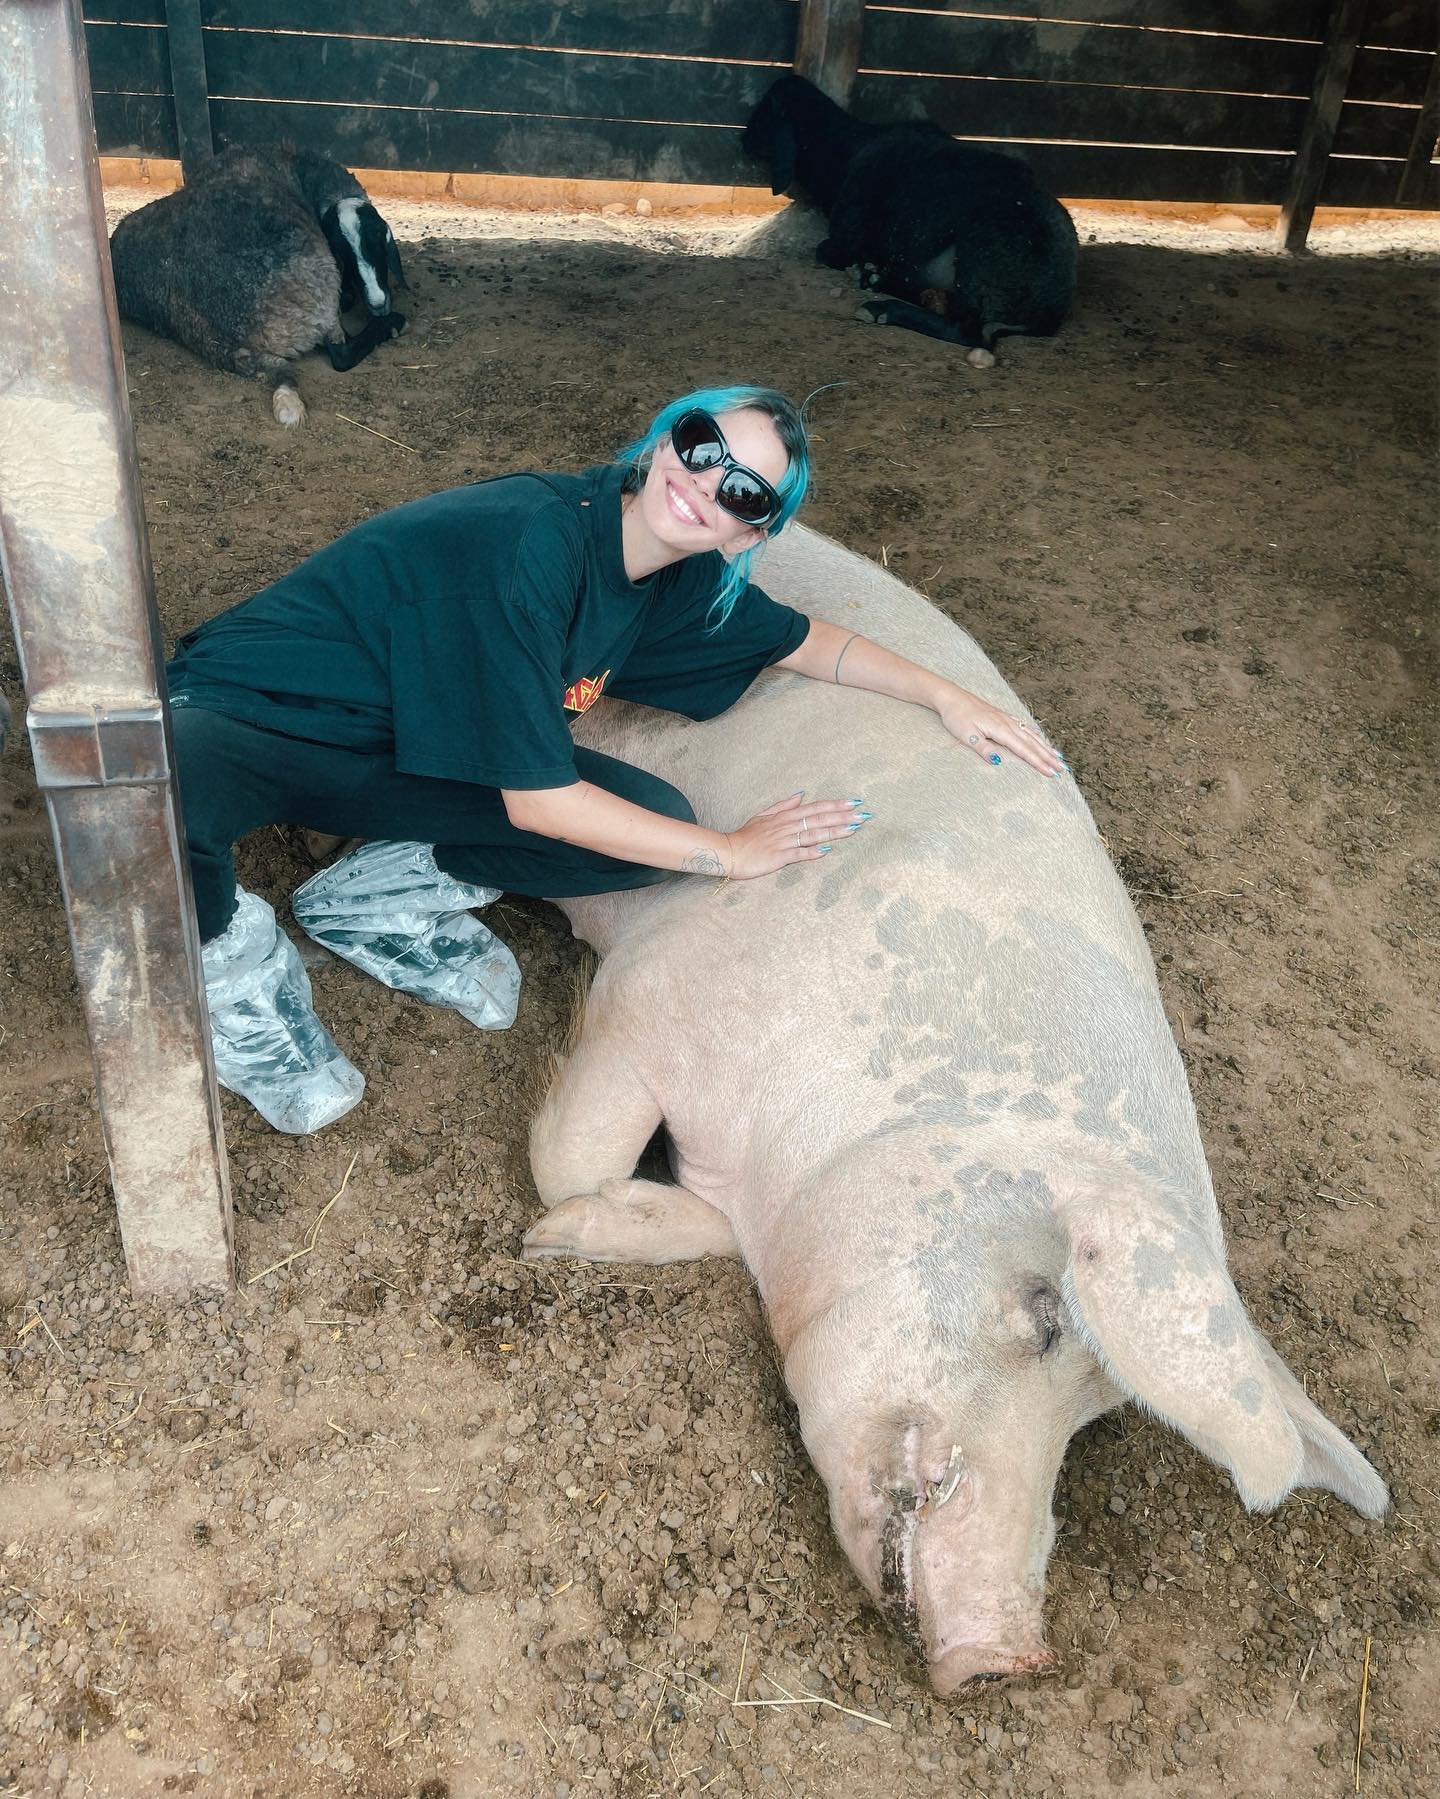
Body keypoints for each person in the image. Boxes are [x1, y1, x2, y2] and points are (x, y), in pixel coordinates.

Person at [168, 385, 1062, 1133]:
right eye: (704, 444)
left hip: (407, 738)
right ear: (668, 436)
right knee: (164, 796)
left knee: (642, 825)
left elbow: (803, 642)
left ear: (748, 535)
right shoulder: (536, 540)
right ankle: (233, 981)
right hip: (256, 714)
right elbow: (542, 803)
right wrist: (732, 851)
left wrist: (946, 694)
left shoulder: (667, 576)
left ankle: (371, 893)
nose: (709, 482)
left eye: (746, 492)